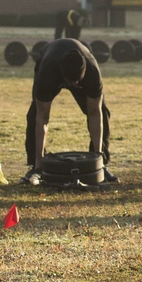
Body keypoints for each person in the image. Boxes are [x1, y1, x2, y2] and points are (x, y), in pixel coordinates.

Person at [22, 37, 117, 184]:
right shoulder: (48, 72)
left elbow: (94, 113)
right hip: (50, 61)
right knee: (35, 114)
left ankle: (101, 163)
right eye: (70, 82)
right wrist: (40, 164)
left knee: (103, 113)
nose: (72, 85)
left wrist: (97, 161)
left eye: (75, 83)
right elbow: (42, 118)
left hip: (81, 70)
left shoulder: (92, 72)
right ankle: (35, 167)